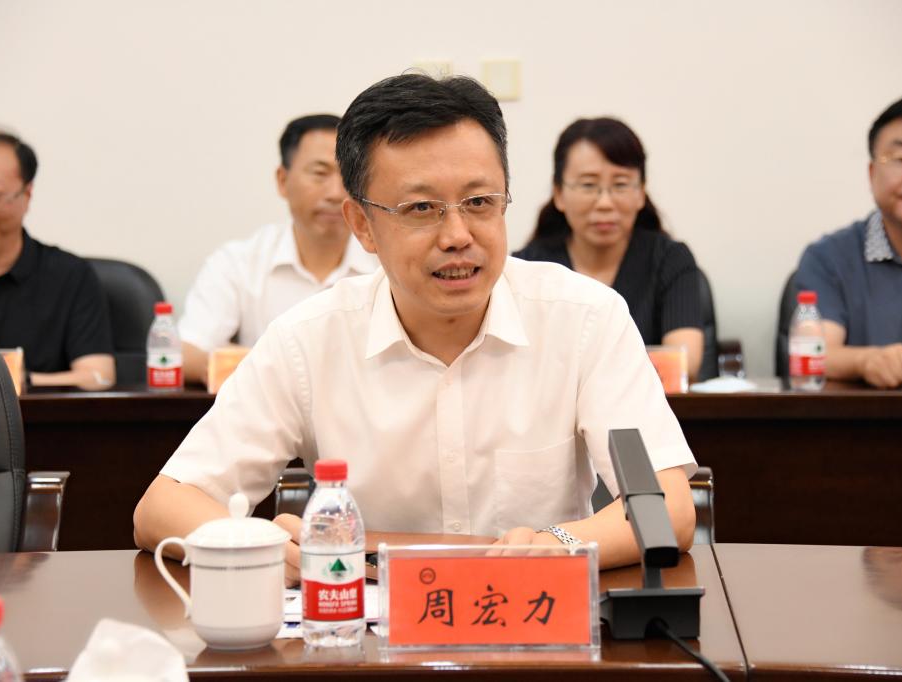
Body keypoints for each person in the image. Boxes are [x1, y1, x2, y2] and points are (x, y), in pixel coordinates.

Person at [134, 74, 696, 582]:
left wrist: (560, 543)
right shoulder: (310, 338)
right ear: (362, 225)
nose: (458, 236)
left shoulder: (585, 318)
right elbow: (163, 506)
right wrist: (254, 544)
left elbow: (669, 508)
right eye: (422, 209)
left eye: (479, 202)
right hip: (369, 633)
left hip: (534, 620)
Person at [179, 114, 377, 384]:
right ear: (282, 180)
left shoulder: (387, 261)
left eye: (347, 177)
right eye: (319, 174)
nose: (335, 193)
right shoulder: (239, 262)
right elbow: (185, 353)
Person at [0, 126, 115, 389]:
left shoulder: (70, 274)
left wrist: (17, 381)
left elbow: (98, 376)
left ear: (27, 194)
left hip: (42, 414)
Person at [514, 118, 704, 378]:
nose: (604, 202)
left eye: (621, 184)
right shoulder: (528, 267)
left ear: (641, 192)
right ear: (559, 194)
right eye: (588, 185)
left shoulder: (670, 259)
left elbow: (684, 364)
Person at [794, 90, 902, 389]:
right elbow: (817, 353)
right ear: (872, 173)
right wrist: (865, 361)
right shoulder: (829, 258)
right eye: (901, 158)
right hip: (860, 421)